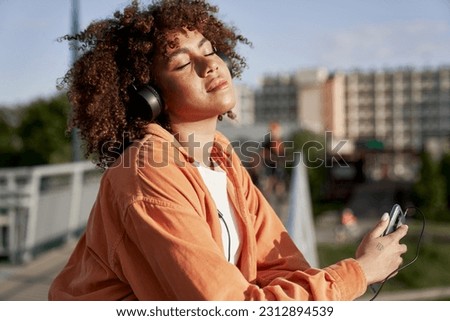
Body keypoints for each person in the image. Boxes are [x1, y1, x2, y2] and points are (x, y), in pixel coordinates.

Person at [48, 0, 408, 300]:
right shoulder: (147, 173)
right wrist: (358, 273)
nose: (210, 65)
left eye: (209, 50)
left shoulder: (221, 159)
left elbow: (280, 265)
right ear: (151, 98)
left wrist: (350, 275)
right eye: (184, 63)